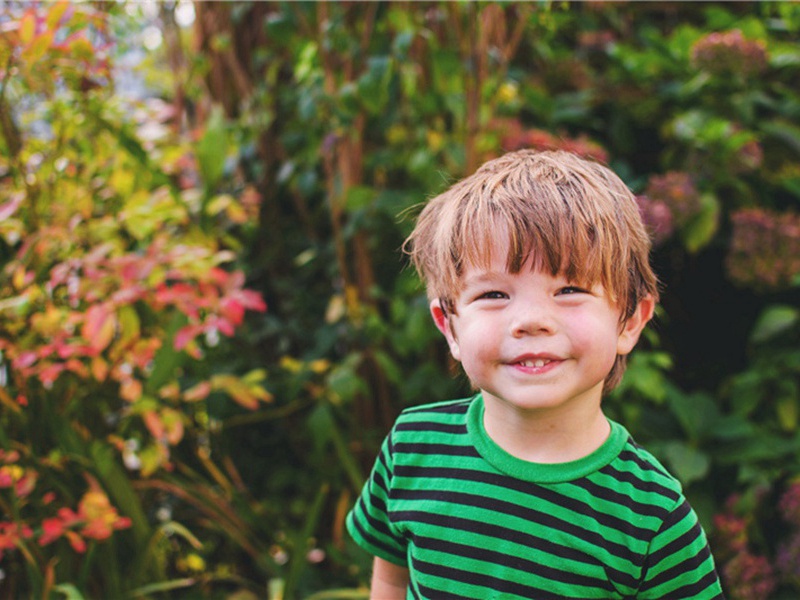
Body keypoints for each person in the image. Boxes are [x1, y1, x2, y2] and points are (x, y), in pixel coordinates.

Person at [346, 149, 724, 599]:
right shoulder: (413, 446)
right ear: (449, 326)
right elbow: (391, 575)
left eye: (568, 289)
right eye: (493, 294)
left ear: (629, 321)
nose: (530, 320)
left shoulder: (652, 516)